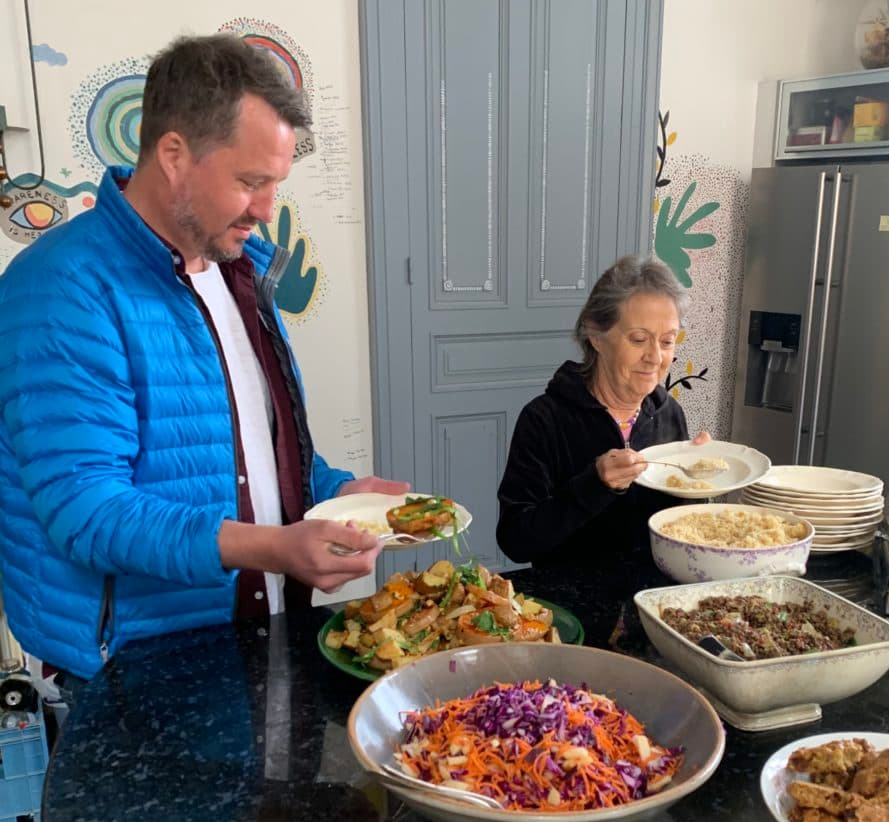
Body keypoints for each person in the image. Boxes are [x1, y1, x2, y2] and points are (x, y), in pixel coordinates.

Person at [0, 34, 407, 686]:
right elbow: (87, 512)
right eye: (251, 182)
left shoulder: (236, 268)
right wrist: (274, 549)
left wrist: (332, 495)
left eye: (275, 183)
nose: (268, 209)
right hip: (132, 671)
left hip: (248, 641)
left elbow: (251, 451)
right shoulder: (61, 288)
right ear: (173, 155)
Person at [497, 254, 709, 569]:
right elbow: (516, 540)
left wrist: (698, 479)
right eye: (639, 339)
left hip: (651, 598)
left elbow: (680, 525)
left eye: (667, 342)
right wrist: (594, 484)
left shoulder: (668, 414)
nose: (655, 357)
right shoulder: (545, 419)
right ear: (596, 336)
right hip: (570, 605)